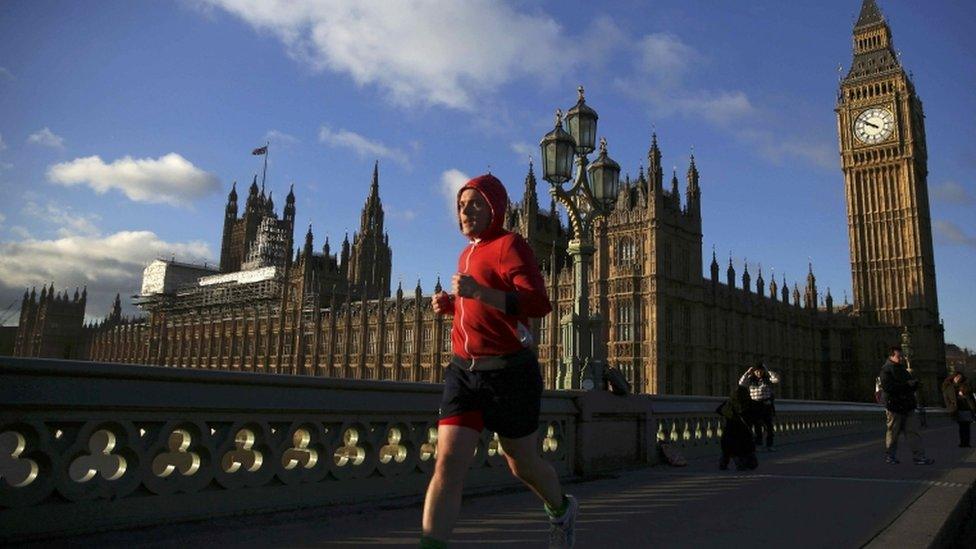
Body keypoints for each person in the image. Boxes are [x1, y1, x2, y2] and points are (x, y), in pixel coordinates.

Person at [421, 174, 577, 549]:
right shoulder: (466, 252)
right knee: (447, 464)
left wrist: (478, 292)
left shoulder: (513, 245)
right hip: (463, 372)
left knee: (521, 463)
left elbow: (538, 304)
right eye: (461, 205)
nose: (465, 210)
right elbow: (479, 302)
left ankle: (560, 509)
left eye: (474, 203)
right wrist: (453, 304)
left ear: (495, 207)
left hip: (509, 373)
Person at [879, 345, 934, 465]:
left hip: (907, 406)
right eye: (899, 356)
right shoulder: (886, 370)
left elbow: (909, 386)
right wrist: (907, 385)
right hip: (895, 407)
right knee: (893, 434)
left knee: (913, 433)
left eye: (902, 356)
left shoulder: (902, 369)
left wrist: (914, 384)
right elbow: (888, 387)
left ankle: (919, 457)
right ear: (891, 356)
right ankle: (890, 456)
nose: (902, 358)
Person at [738, 363, 780, 451]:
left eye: (760, 371)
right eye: (757, 371)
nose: (758, 373)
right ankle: (758, 444)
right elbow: (741, 383)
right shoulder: (750, 380)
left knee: (769, 426)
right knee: (757, 426)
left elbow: (776, 379)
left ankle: (770, 445)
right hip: (755, 405)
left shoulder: (767, 379)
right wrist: (747, 372)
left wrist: (768, 371)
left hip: (766, 404)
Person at [716, 385, 758, 471]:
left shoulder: (729, 403)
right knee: (744, 451)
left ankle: (726, 463)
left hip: (730, 432)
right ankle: (741, 463)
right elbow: (755, 417)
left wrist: (730, 415)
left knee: (728, 450)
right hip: (744, 433)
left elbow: (719, 410)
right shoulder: (750, 403)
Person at [942, 372, 975, 448]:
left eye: (960, 378)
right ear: (953, 377)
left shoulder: (965, 386)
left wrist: (964, 394)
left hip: (966, 409)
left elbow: (970, 397)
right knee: (961, 427)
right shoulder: (948, 386)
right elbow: (946, 398)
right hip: (956, 409)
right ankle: (963, 442)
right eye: (957, 377)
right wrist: (950, 406)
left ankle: (966, 443)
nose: (958, 379)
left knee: (966, 427)